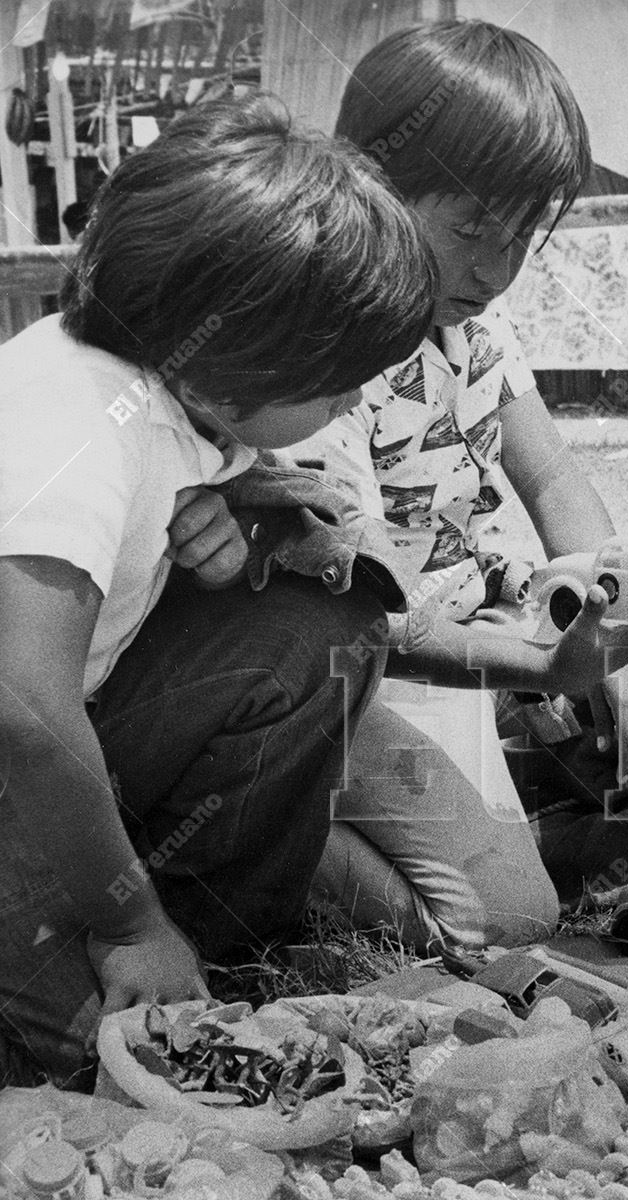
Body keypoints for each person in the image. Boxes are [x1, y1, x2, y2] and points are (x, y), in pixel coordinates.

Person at [298, 20, 628, 955]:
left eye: (521, 237)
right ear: (371, 185)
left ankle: (529, 792)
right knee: (512, 919)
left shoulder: (473, 330)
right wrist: (562, 668)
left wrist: (613, 613)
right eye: (471, 229)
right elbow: (382, 621)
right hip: (381, 672)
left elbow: (552, 477)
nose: (497, 267)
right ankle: (273, 840)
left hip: (481, 641)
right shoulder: (323, 348)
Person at [0, 96, 435, 1085]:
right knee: (100, 1076)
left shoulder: (178, 395)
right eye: (336, 382)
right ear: (233, 358)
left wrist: (255, 513)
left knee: (318, 622)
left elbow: (312, 520)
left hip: (54, 759)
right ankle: (130, 949)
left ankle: (192, 946)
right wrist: (126, 918)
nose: (353, 402)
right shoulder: (68, 421)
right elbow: (25, 712)